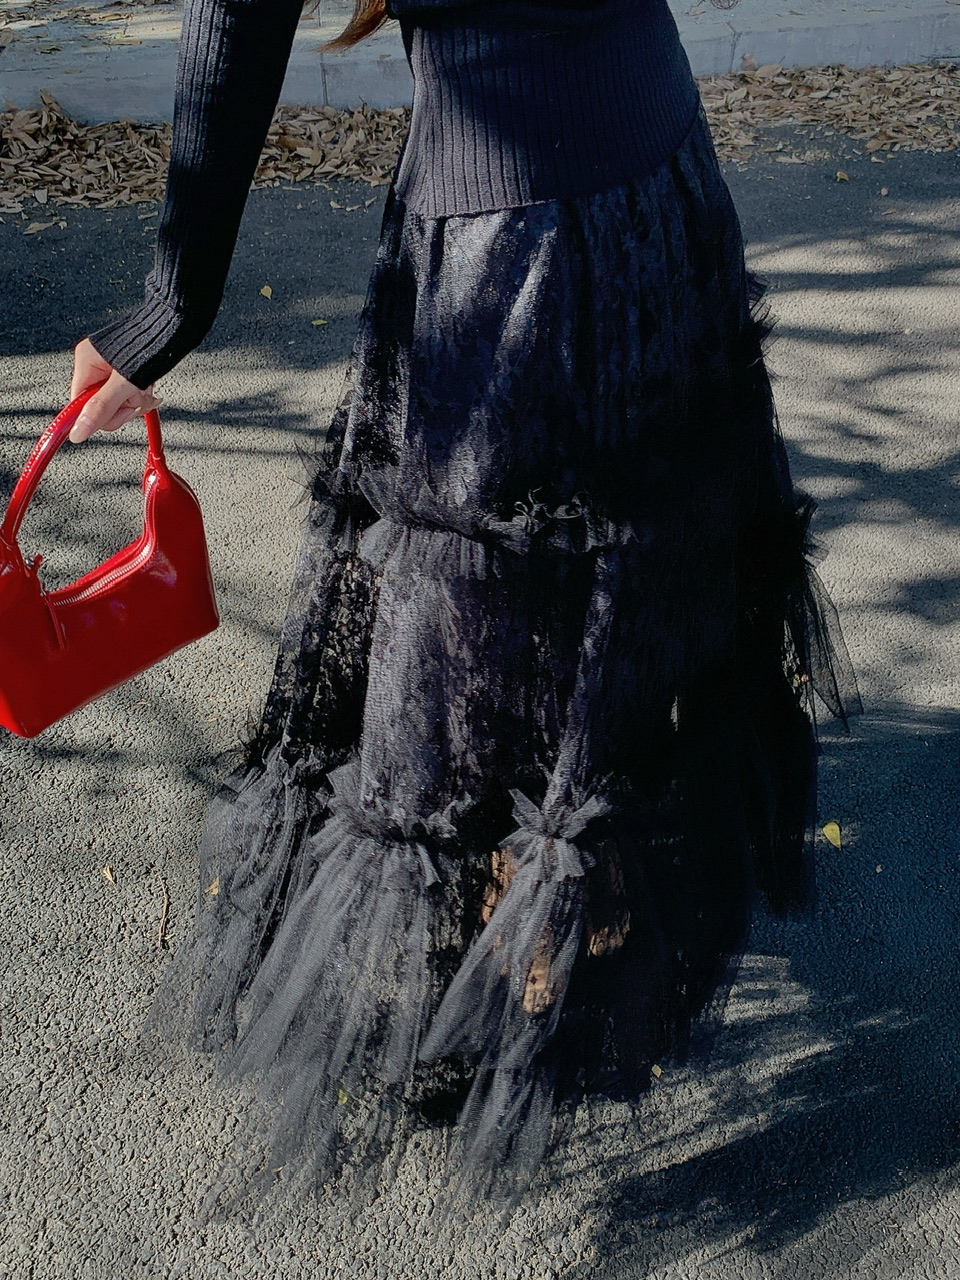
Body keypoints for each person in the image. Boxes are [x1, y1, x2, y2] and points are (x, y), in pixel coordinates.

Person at [69, 0, 859, 1214]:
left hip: (504, 242)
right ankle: (571, 899)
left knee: (484, 617)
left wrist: (171, 304)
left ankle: (535, 916)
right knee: (620, 580)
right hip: (657, 182)